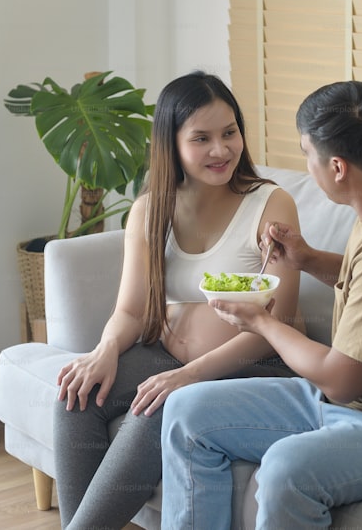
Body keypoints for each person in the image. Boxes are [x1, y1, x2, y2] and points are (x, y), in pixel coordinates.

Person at [160, 80, 362, 529]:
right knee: (186, 412)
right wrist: (308, 259)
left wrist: (262, 322)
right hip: (356, 406)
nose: (305, 167)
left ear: (337, 166)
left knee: (286, 471)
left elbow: (340, 380)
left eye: (307, 154)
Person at [52, 71, 302, 530]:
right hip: (164, 354)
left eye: (230, 133)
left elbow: (279, 323)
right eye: (201, 138)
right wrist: (104, 351)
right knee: (76, 394)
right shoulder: (151, 209)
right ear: (172, 144)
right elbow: (130, 310)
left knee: (155, 412)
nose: (221, 150)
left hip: (250, 365)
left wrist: (186, 377)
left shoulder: (271, 203)